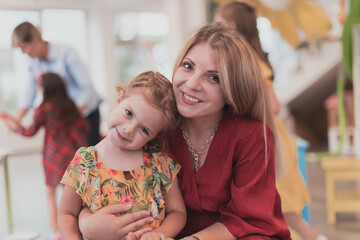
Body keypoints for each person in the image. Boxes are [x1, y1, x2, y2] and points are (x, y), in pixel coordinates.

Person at [77, 22, 291, 240]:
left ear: (232, 89)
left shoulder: (251, 135)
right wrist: (86, 222)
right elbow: (101, 177)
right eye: (188, 66)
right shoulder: (154, 126)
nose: (192, 83)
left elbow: (249, 221)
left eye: (213, 77)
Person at [214, 2, 328, 240]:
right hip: (268, 139)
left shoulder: (252, 63)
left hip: (270, 142)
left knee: (282, 203)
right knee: (279, 205)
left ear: (232, 26)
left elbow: (273, 105)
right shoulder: (244, 59)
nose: (214, 28)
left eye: (218, 23)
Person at [58, 71, 186, 240]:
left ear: (155, 135)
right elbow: (67, 214)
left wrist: (159, 234)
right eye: (129, 113)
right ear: (119, 99)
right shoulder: (85, 161)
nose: (129, 129)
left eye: (144, 130)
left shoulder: (158, 162)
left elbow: (177, 212)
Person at [0, 72, 89, 240]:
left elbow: (29, 132)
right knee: (70, 195)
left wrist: (13, 126)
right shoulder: (70, 105)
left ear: (44, 89)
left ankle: (56, 232)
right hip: (71, 155)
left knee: (50, 193)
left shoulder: (44, 109)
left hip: (53, 156)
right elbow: (83, 128)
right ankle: (72, 231)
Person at [12, 21, 102, 146]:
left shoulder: (65, 53)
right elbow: (29, 92)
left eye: (24, 47)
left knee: (89, 157)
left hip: (85, 113)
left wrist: (73, 115)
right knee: (71, 159)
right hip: (65, 118)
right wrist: (18, 118)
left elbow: (87, 87)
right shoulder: (34, 63)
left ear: (36, 39)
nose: (24, 52)